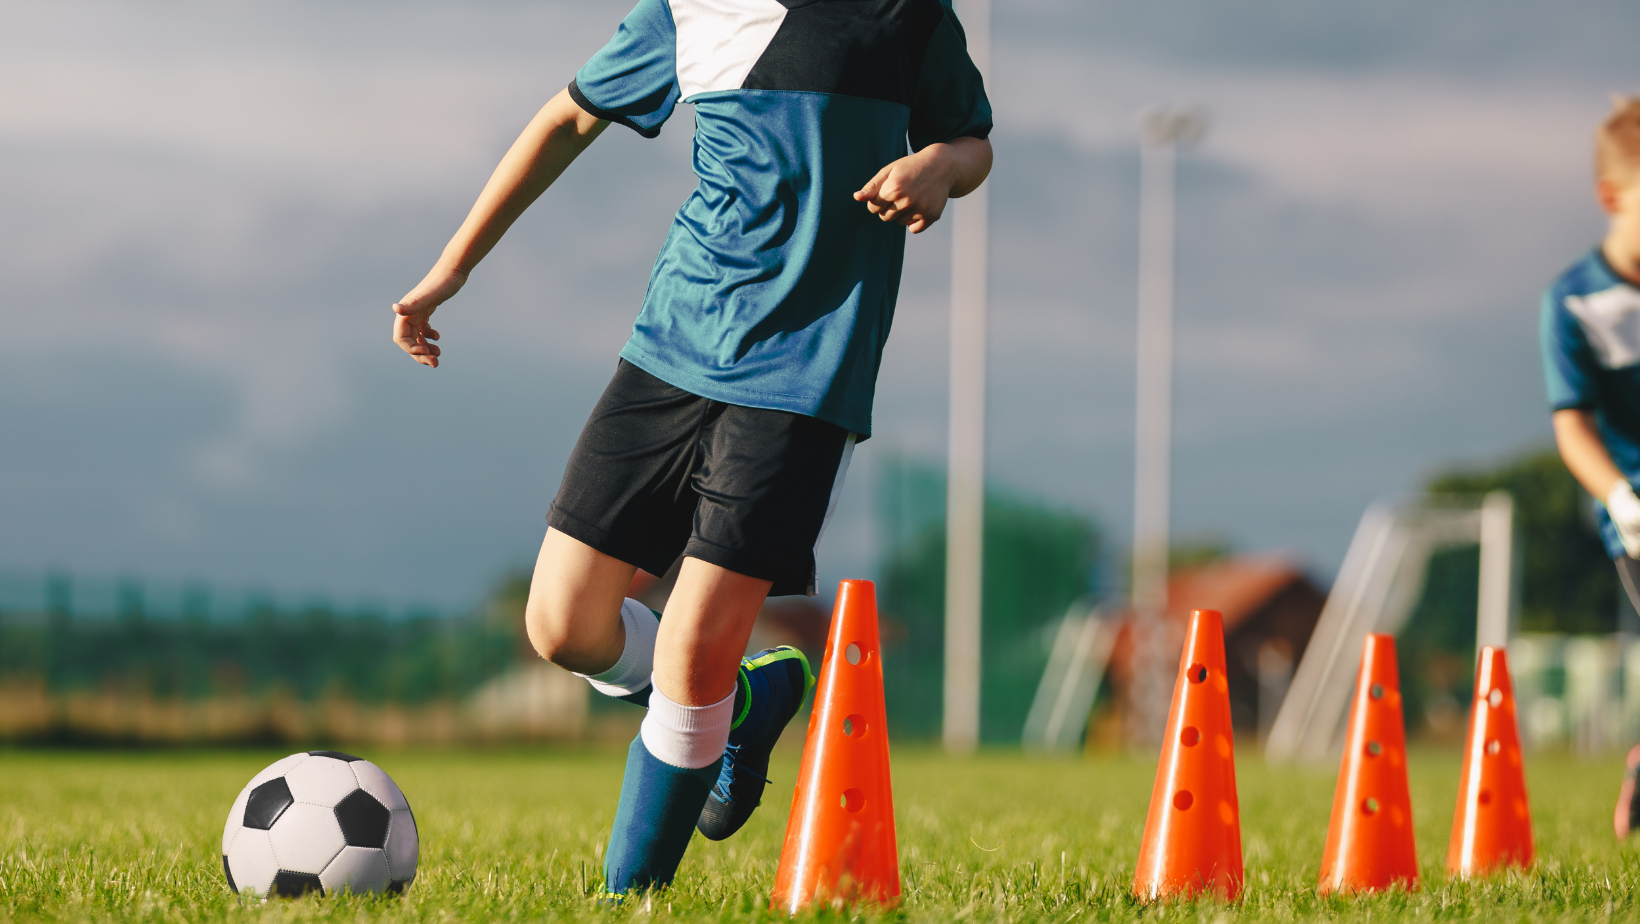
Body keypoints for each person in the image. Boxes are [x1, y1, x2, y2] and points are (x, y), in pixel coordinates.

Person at [389, 0, 993, 894]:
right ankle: (744, 707)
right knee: (561, 625)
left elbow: (972, 140)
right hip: (671, 345)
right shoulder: (685, 9)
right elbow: (566, 118)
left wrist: (940, 166)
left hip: (805, 370)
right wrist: (452, 267)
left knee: (692, 654)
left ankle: (629, 898)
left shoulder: (905, 11)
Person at [1542, 95, 1640, 838]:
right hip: (1636, 515)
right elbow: (1571, 425)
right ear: (1612, 196)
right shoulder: (1574, 302)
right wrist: (1620, 496)